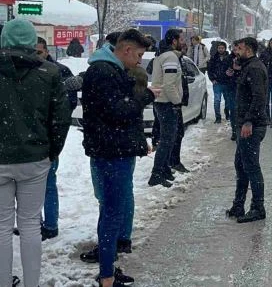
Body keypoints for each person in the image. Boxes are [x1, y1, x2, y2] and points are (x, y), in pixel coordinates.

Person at [81, 28, 156, 287]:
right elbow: (120, 112)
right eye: (138, 55)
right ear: (125, 50)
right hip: (111, 153)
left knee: (112, 210)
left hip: (115, 150)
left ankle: (108, 267)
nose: (139, 61)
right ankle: (107, 277)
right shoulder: (103, 72)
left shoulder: (111, 70)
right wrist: (146, 96)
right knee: (112, 212)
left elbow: (120, 110)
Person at [0, 19, 70, 287]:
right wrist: (51, 151)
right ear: (32, 42)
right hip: (34, 159)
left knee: (2, 227)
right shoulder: (49, 73)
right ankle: (32, 283)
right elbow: (60, 119)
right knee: (30, 225)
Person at [34, 37, 78, 241]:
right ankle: (35, 223)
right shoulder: (27, 71)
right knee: (32, 186)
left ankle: (50, 225)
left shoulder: (58, 72)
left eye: (39, 52)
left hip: (49, 137)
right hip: (33, 137)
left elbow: (67, 105)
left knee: (48, 183)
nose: (36, 56)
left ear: (47, 52)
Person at [225, 37, 269, 223]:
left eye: (240, 48)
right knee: (241, 165)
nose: (236, 51)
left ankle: (258, 207)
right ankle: (238, 204)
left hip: (252, 125)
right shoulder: (248, 66)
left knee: (251, 167)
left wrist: (249, 121)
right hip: (245, 122)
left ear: (249, 50)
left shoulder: (255, 68)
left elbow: (259, 97)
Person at [148, 29, 184, 188]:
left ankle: (164, 170)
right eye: (180, 39)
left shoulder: (161, 55)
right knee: (167, 140)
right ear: (174, 41)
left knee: (168, 139)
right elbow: (169, 85)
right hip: (167, 103)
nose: (182, 42)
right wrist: (177, 102)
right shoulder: (170, 57)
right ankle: (156, 174)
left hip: (161, 101)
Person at [208, 42, 236, 124]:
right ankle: (218, 117)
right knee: (217, 100)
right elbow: (210, 69)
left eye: (222, 48)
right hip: (217, 83)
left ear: (225, 48)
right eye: (219, 48)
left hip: (227, 83)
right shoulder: (213, 58)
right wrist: (212, 79)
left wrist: (230, 75)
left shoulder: (229, 57)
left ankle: (227, 113)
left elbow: (232, 68)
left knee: (228, 101)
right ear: (217, 48)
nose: (221, 49)